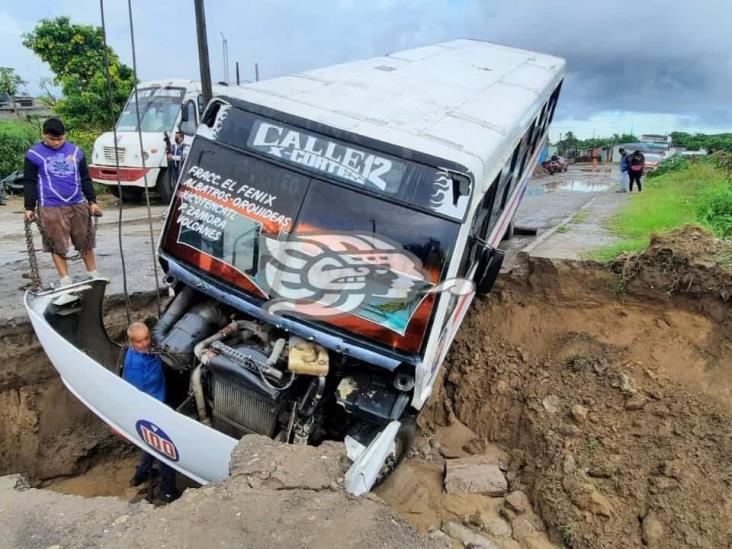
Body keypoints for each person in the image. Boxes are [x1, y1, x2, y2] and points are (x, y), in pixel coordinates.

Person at [22, 117, 103, 287]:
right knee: (56, 243)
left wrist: (92, 201)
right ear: (44, 135)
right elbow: (29, 182)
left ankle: (92, 272)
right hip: (50, 206)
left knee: (85, 239)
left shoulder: (76, 152)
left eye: (60, 139)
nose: (57, 143)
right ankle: (65, 278)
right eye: (53, 139)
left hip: (77, 203)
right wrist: (29, 207)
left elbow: (85, 179)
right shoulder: (34, 155)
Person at [123, 321, 180, 503]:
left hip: (159, 401)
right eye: (140, 341)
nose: (146, 343)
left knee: (150, 446)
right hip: (152, 410)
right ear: (131, 342)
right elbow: (133, 395)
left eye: (147, 338)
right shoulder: (135, 367)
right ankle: (168, 491)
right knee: (165, 450)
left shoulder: (145, 351)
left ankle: (140, 476)